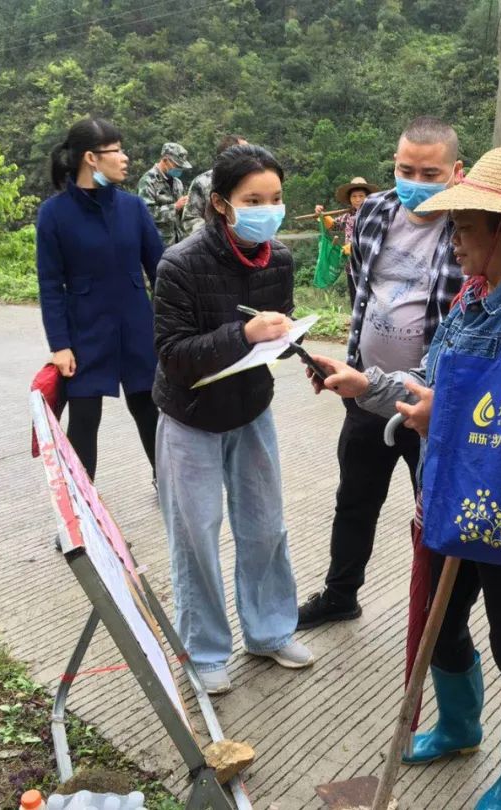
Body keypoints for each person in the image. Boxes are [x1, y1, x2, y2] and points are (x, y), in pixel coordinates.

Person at [306, 147, 501, 809]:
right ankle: (460, 728)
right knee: (440, 620)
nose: (452, 241)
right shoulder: (472, 295)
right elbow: (430, 383)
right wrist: (366, 385)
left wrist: (452, 414)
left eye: (463, 227)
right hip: (449, 495)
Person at [152, 144, 313, 694]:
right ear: (221, 204)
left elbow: (279, 327)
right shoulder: (179, 264)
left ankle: (270, 632)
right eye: (253, 201)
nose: (268, 211)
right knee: (195, 535)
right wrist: (243, 334)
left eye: (275, 199)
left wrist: (290, 339)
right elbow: (173, 354)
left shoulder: (279, 259)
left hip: (250, 409)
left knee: (265, 525)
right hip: (191, 416)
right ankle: (203, 651)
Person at [298, 117, 464, 630]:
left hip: (429, 402)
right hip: (365, 391)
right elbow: (361, 289)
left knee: (433, 510)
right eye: (406, 170)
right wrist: (351, 366)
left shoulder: (468, 224)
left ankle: (437, 617)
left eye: (430, 174)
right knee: (354, 500)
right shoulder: (373, 210)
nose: (416, 182)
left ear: (456, 171)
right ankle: (340, 594)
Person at [36, 117, 162, 492]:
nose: (125, 158)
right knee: (85, 417)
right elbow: (50, 285)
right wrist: (60, 344)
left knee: (148, 409)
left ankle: (169, 485)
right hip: (85, 332)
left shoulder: (133, 208)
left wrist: (173, 327)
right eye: (116, 150)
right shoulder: (54, 214)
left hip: (138, 328)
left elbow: (162, 271)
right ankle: (80, 505)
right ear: (91, 158)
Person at [181, 134, 248, 236]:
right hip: (212, 243)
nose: (251, 157)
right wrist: (214, 235)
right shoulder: (202, 182)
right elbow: (190, 219)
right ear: (229, 156)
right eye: (246, 153)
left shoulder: (254, 182)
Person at [137, 142, 192, 246]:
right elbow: (146, 213)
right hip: (158, 244)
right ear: (165, 160)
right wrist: (175, 207)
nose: (179, 169)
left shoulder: (177, 182)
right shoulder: (148, 181)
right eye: (177, 165)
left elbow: (180, 216)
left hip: (178, 244)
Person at [313, 176, 379, 250]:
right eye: (354, 196)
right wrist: (322, 214)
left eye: (361, 196)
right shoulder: (349, 216)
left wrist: (352, 247)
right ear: (350, 199)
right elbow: (334, 226)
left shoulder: (374, 215)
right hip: (350, 256)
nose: (357, 199)